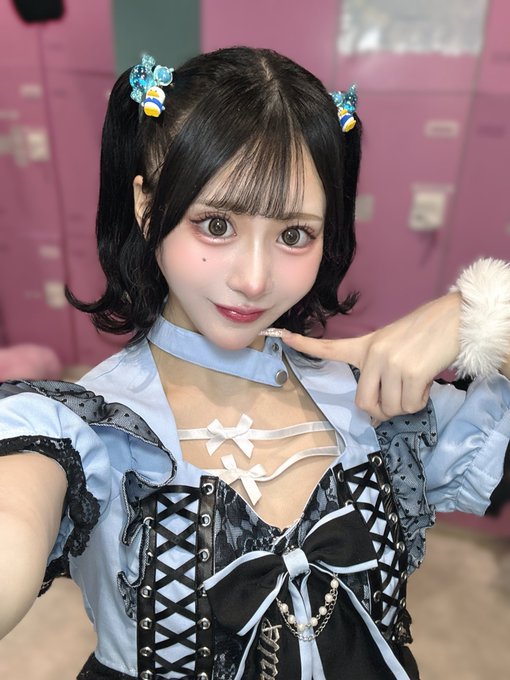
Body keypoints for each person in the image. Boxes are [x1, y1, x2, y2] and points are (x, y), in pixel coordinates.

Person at [0, 46, 509, 680]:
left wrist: (480, 314)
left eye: (295, 234)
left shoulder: (379, 403)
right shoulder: (81, 429)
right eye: (216, 224)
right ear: (146, 206)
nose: (254, 279)